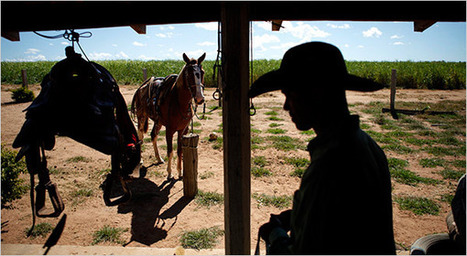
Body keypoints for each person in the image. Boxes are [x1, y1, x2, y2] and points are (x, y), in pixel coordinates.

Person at [250, 42, 396, 255]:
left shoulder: (329, 167)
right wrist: (298, 216)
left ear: (317, 92)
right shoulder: (366, 144)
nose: (285, 106)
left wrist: (275, 234)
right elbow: (346, 219)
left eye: (290, 94)